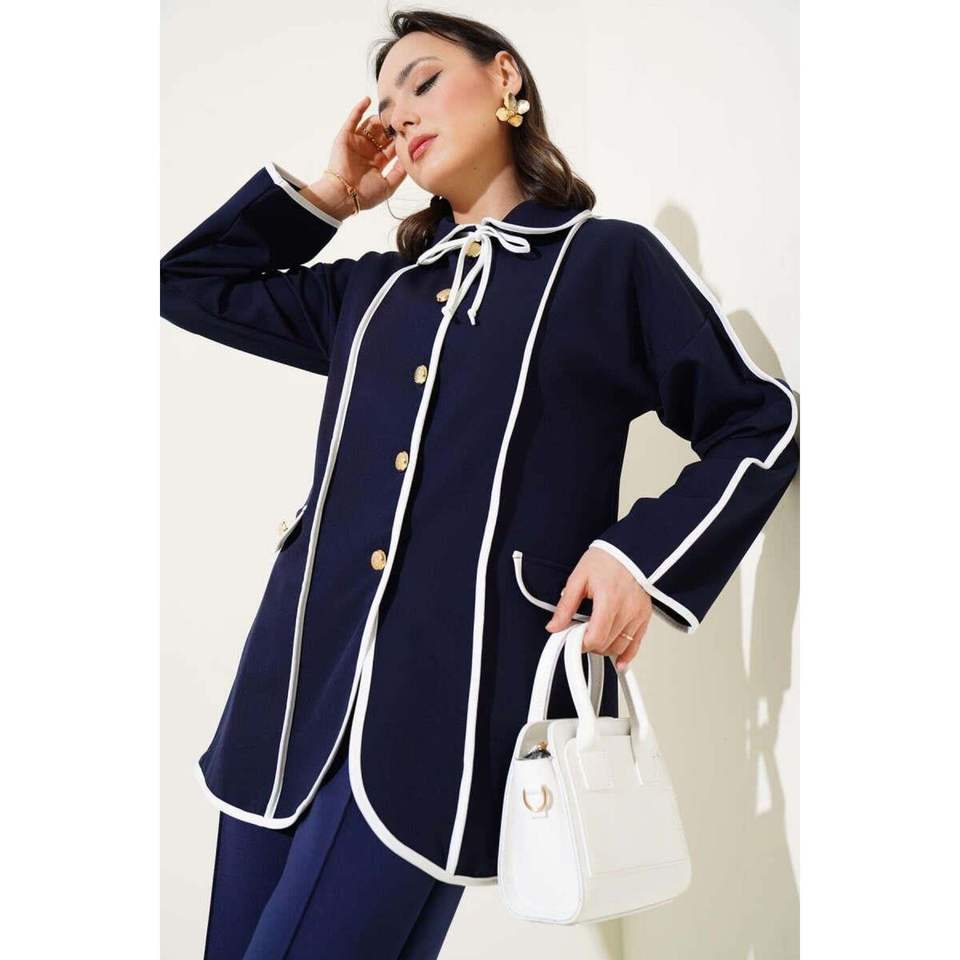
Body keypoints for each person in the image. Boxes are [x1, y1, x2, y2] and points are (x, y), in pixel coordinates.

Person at [160, 9, 799, 958]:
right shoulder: (373, 292)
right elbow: (186, 283)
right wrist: (332, 196)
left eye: (421, 82)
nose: (400, 115)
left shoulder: (606, 263)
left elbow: (761, 420)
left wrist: (637, 555)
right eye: (384, 106)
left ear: (506, 80)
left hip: (446, 715)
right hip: (287, 702)